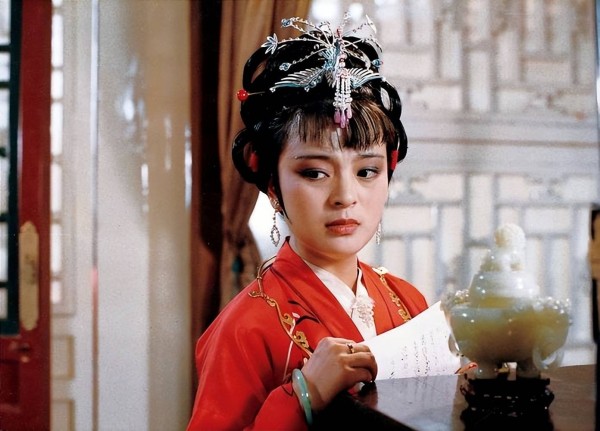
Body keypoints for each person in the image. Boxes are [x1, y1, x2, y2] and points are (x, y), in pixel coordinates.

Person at [187, 14, 428, 430]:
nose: (345, 195)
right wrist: (305, 394)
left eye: (367, 171)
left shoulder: (408, 303)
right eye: (314, 173)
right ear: (273, 183)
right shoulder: (244, 327)